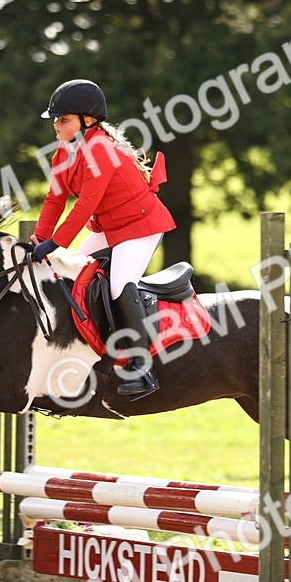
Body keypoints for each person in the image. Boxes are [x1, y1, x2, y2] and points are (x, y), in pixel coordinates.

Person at [31, 79, 176, 400]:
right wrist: (38, 240)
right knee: (72, 279)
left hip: (141, 226)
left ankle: (141, 365)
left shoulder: (102, 151)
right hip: (108, 228)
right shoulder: (63, 153)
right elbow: (55, 200)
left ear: (87, 120)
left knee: (118, 284)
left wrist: (55, 245)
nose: (56, 125)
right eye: (55, 119)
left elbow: (85, 206)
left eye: (63, 119)